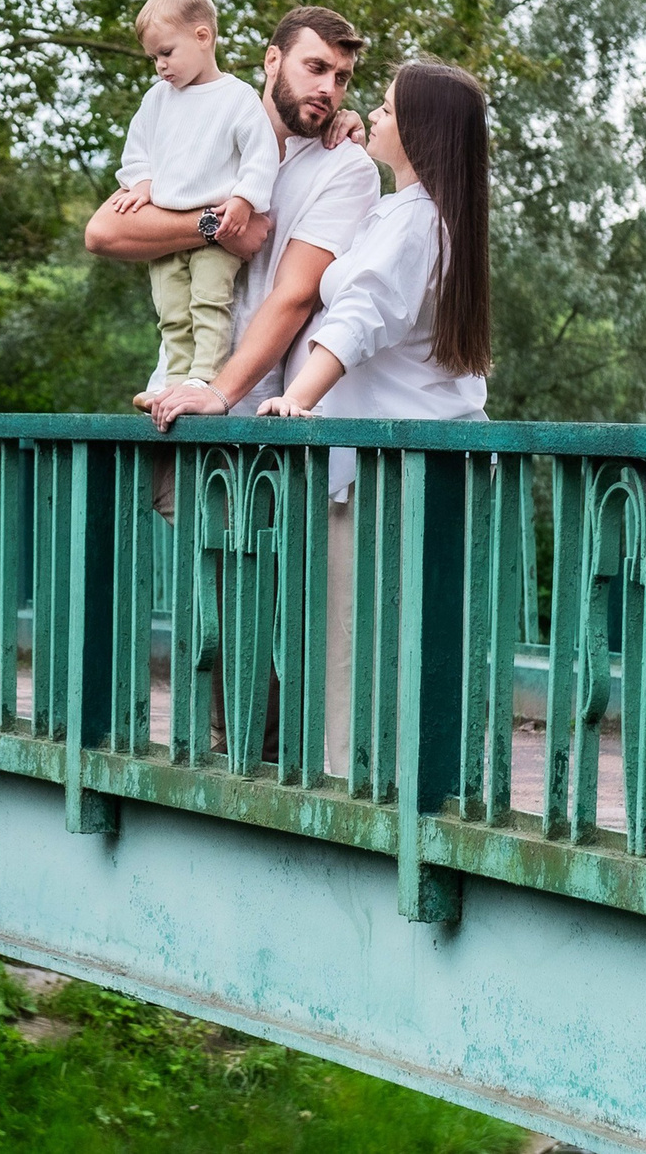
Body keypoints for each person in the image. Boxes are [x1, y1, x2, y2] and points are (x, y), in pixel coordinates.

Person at [252, 59, 493, 778]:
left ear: (420, 132)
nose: (371, 114)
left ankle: (355, 802)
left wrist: (299, 396)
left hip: (385, 481)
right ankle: (416, 796)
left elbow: (360, 316)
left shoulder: (414, 222)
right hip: (429, 470)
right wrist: (359, 142)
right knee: (412, 651)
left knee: (354, 656)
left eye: (386, 108)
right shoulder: (423, 214)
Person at [90, 6, 378, 421]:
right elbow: (103, 232)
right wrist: (216, 227)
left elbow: (295, 296)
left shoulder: (346, 166)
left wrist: (218, 395)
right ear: (272, 60)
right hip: (166, 399)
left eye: (341, 78)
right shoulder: (203, 122)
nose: (327, 89)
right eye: (315, 68)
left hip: (254, 415)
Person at [109, 0, 280, 391]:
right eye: (154, 58)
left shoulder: (237, 98)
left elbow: (261, 155)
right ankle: (174, 381)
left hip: (216, 230)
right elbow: (137, 150)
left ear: (202, 37)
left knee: (209, 302)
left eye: (166, 53)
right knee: (171, 311)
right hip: (165, 228)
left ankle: (203, 376)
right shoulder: (157, 100)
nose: (160, 66)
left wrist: (244, 200)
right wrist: (142, 183)